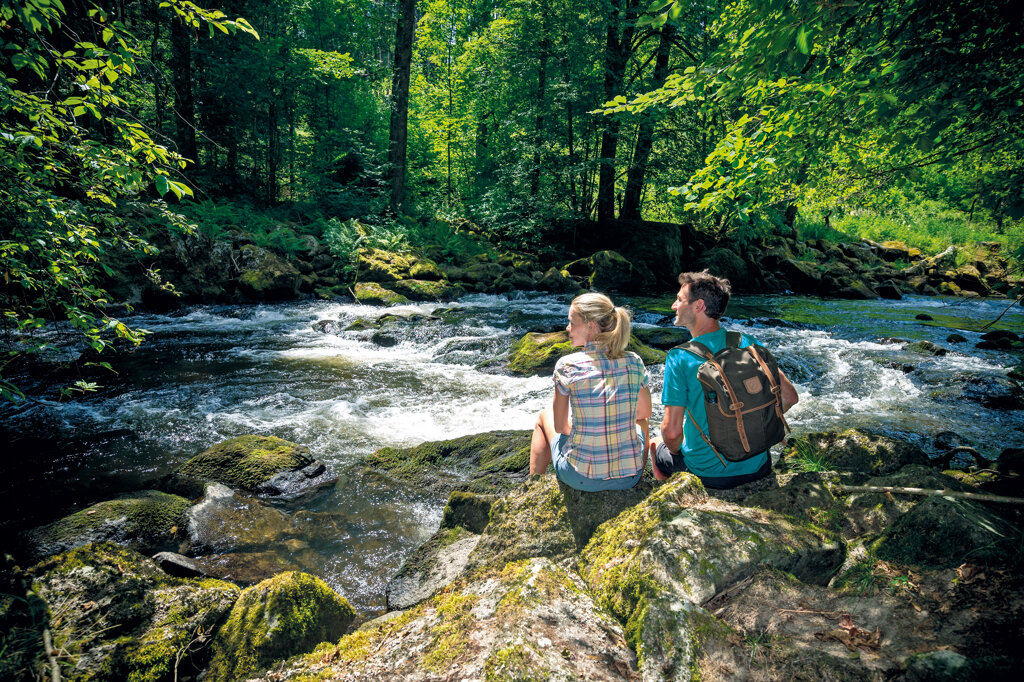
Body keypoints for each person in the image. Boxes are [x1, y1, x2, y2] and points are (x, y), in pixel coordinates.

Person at [651, 270, 799, 488]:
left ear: (699, 306)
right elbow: (790, 397)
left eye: (680, 300)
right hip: (759, 465)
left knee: (655, 443)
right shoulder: (747, 341)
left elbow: (672, 433)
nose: (674, 305)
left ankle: (673, 496)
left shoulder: (680, 356)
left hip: (709, 472)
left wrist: (674, 450)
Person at [529, 292, 652, 491]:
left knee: (545, 417)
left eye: (572, 322)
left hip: (580, 477)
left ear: (591, 326)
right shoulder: (634, 361)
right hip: (629, 477)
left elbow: (560, 426)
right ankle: (639, 476)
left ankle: (533, 486)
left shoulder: (567, 364)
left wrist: (587, 435)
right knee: (642, 422)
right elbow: (644, 413)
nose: (567, 328)